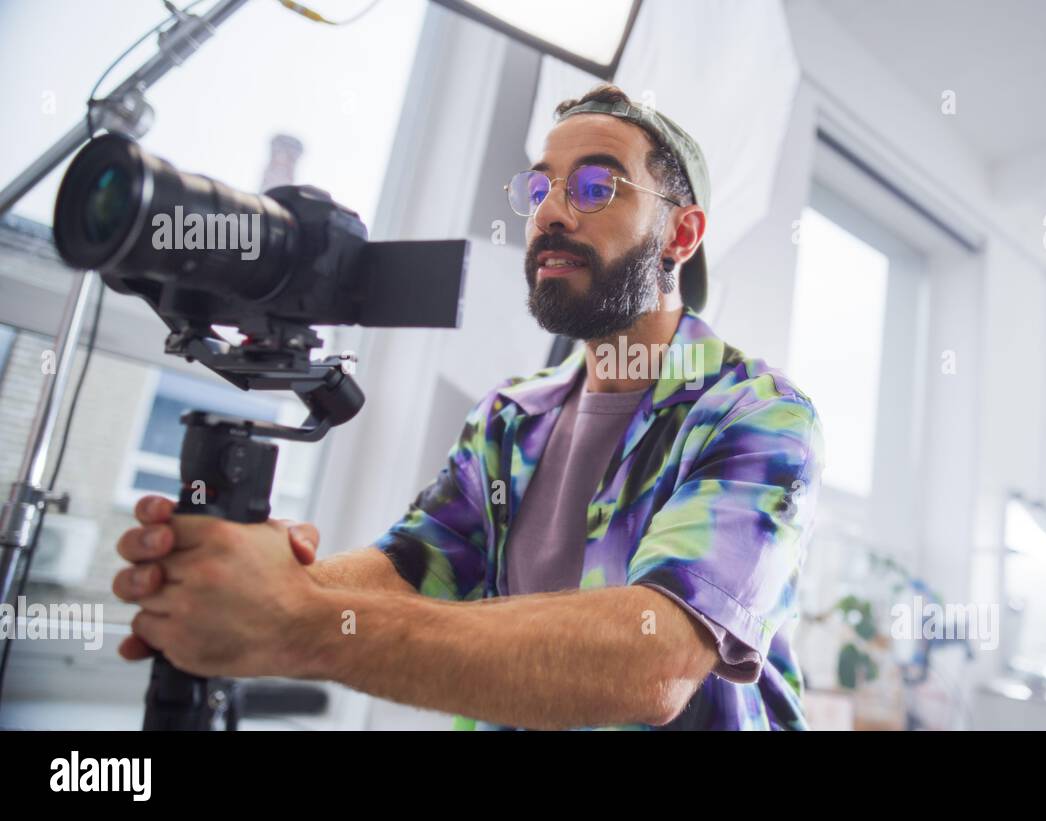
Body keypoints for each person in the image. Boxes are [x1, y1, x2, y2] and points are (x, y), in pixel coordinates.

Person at [111, 84, 824, 730]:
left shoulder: (756, 413)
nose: (550, 212)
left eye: (596, 185)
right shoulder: (510, 419)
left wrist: (294, 620)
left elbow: (656, 659)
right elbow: (413, 564)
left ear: (681, 234)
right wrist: (245, 577)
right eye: (540, 187)